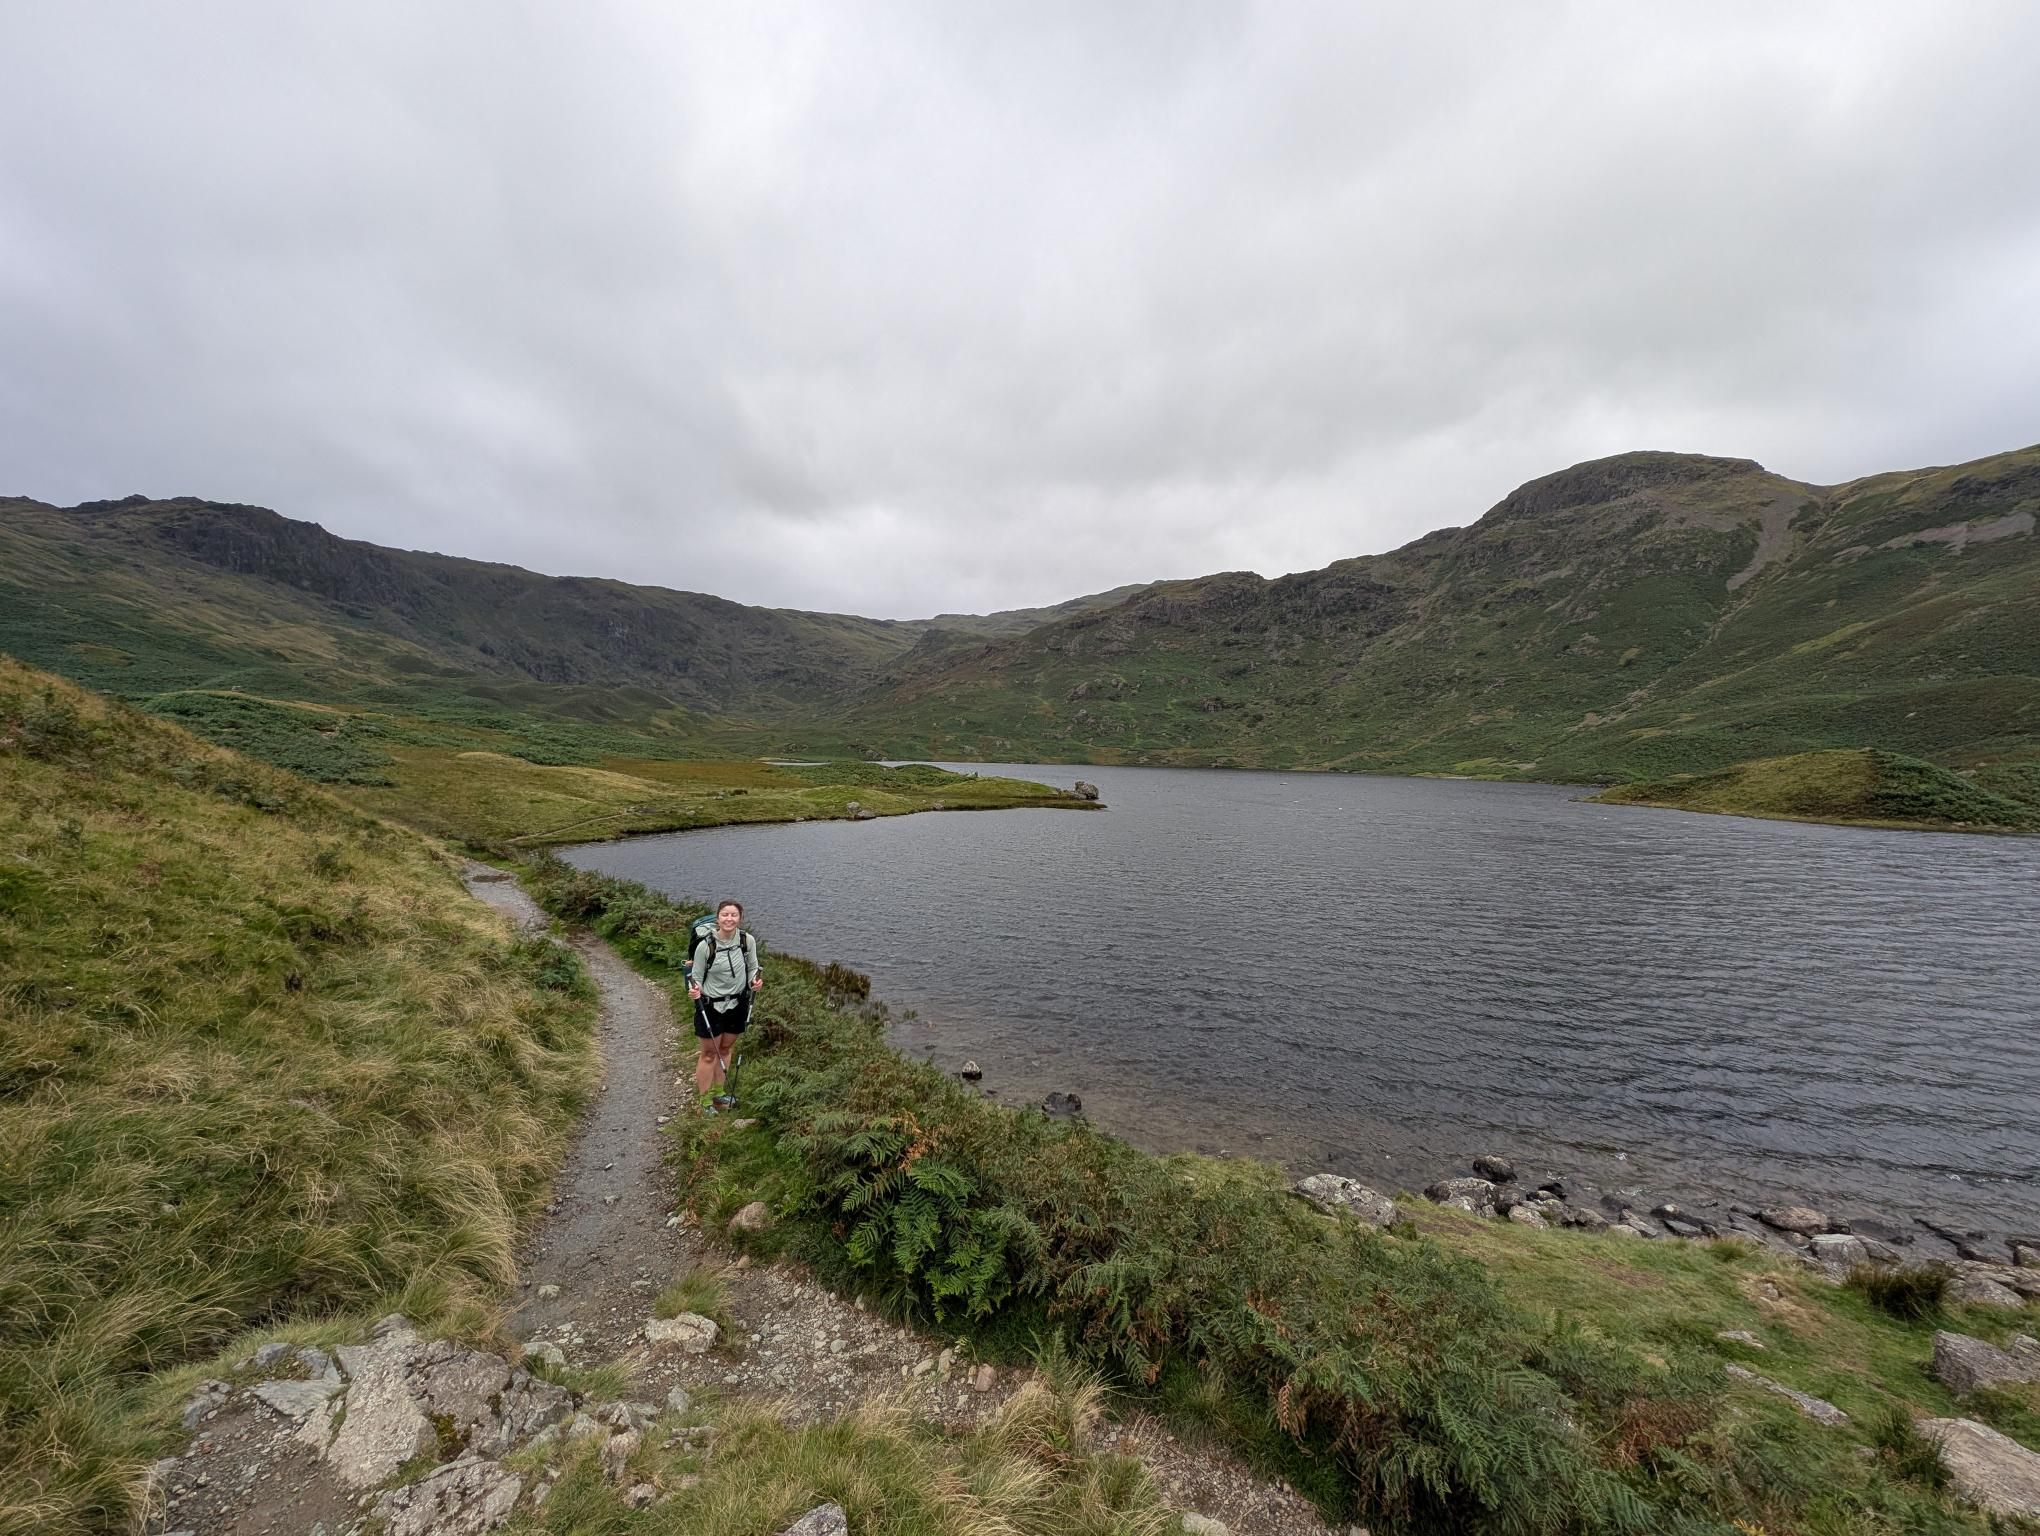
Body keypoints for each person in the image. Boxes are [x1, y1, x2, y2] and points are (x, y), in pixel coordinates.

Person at [688, 898, 762, 1111]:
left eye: (734, 915)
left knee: (726, 1048)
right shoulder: (705, 946)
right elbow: (696, 977)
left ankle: (719, 1094)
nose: (729, 919)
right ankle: (704, 1100)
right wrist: (695, 990)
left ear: (740, 919)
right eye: (725, 915)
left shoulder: (747, 941)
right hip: (711, 1006)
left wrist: (754, 982)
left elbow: (753, 968)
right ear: (718, 918)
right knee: (709, 1054)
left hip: (737, 1003)